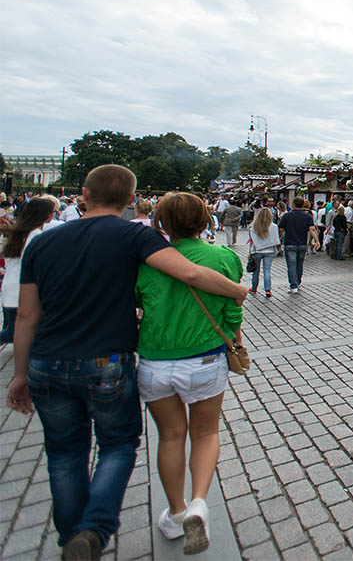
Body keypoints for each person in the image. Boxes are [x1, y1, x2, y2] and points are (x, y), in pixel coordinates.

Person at [5, 165, 247, 561]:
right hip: (130, 358)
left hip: (65, 360)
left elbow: (27, 316)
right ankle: (163, 512)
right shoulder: (138, 239)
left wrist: (19, 375)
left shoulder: (44, 243)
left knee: (69, 452)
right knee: (132, 443)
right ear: (131, 197)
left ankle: (83, 534)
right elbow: (190, 275)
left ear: (83, 193)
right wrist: (237, 293)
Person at [134, 192, 244, 554]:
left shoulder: (146, 261)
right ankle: (198, 501)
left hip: (155, 361)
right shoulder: (223, 257)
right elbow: (231, 310)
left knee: (169, 436)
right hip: (205, 361)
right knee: (206, 431)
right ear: (204, 220)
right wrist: (235, 339)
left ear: (161, 223)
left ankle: (176, 512)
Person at [1, 198, 59, 343]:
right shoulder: (35, 235)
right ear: (45, 214)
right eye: (53, 212)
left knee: (12, 328)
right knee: (12, 332)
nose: (54, 215)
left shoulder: (20, 232)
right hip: (21, 288)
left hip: (11, 285)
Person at [279, 197, 317, 294]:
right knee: (299, 264)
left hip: (290, 243)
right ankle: (298, 282)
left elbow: (281, 229)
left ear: (293, 205)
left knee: (291, 265)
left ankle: (293, 285)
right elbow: (312, 229)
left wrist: (280, 238)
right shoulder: (307, 216)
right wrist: (317, 241)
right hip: (302, 243)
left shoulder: (287, 216)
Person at [247, 207, 280, 297]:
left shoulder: (253, 226)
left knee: (255, 271)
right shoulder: (274, 226)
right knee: (267, 270)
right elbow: (276, 240)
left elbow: (251, 241)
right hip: (269, 251)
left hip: (257, 250)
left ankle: (254, 288)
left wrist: (249, 252)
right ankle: (268, 290)